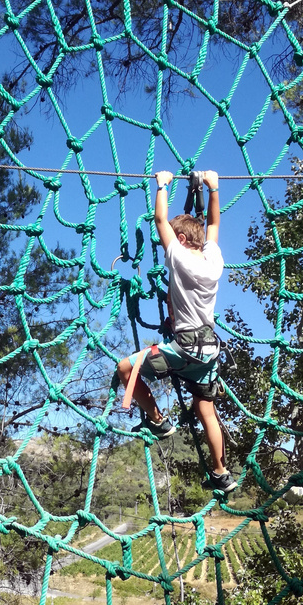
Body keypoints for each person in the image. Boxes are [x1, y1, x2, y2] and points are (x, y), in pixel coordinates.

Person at [117, 169, 236, 495]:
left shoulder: (180, 259)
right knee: (205, 410)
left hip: (184, 348)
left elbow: (159, 220)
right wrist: (214, 188)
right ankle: (221, 472)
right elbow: (213, 225)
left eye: (172, 236)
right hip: (209, 349)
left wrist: (162, 185)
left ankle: (157, 420)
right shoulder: (214, 260)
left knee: (126, 368)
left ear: (181, 241)